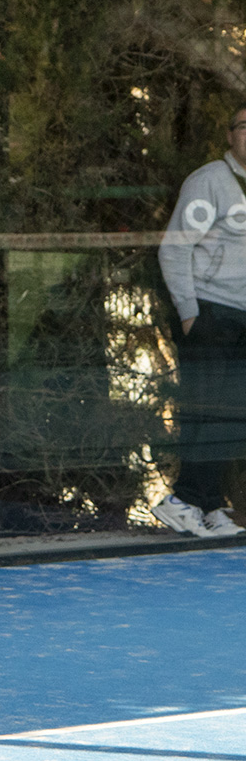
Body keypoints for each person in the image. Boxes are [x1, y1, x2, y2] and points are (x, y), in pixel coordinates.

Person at [153, 105, 246, 538]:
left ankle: (209, 505)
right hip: (211, 313)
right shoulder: (209, 182)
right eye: (245, 127)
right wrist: (190, 313)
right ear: (230, 135)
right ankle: (182, 500)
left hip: (243, 317)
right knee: (208, 414)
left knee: (232, 416)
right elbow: (174, 249)